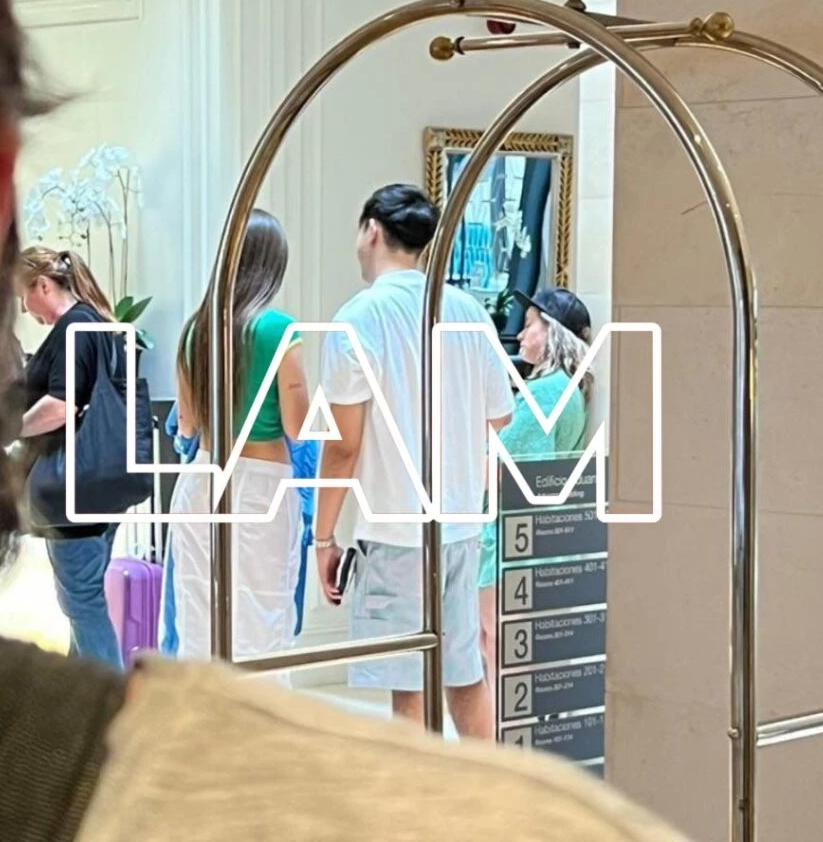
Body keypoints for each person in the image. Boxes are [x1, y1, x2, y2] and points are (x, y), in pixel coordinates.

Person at [0, 0, 694, 838]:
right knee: (430, 664)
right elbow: (347, 433)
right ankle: (432, 769)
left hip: (271, 499)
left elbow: (268, 431)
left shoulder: (257, 326)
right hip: (377, 509)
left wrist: (333, 516)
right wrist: (338, 510)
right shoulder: (393, 321)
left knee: (359, 665)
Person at [314, 184, 515, 739]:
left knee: (410, 686)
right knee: (464, 675)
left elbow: (343, 447)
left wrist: (323, 537)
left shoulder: (360, 317)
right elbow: (501, 417)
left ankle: (419, 796)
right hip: (460, 527)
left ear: (372, 231)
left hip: (396, 530)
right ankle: (489, 786)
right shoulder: (468, 310)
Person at [168, 209, 311, 662]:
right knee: (263, 623)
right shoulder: (279, 330)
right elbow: (298, 427)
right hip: (261, 488)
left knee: (199, 619)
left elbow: (187, 425)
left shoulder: (196, 329)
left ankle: (203, 709)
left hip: (201, 482)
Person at [478, 288, 594, 718]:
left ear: (554, 333)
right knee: (503, 647)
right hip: (536, 542)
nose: (521, 335)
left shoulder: (544, 393)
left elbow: (506, 471)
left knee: (498, 646)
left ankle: (503, 743)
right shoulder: (570, 391)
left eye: (530, 325)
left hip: (511, 544)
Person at [15, 245, 124, 670]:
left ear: (42, 285)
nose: (24, 310)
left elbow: (61, 407)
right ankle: (82, 695)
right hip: (100, 484)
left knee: (81, 600)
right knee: (83, 596)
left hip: (75, 489)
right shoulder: (95, 323)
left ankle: (112, 702)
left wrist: (13, 428)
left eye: (23, 296)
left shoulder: (75, 327)